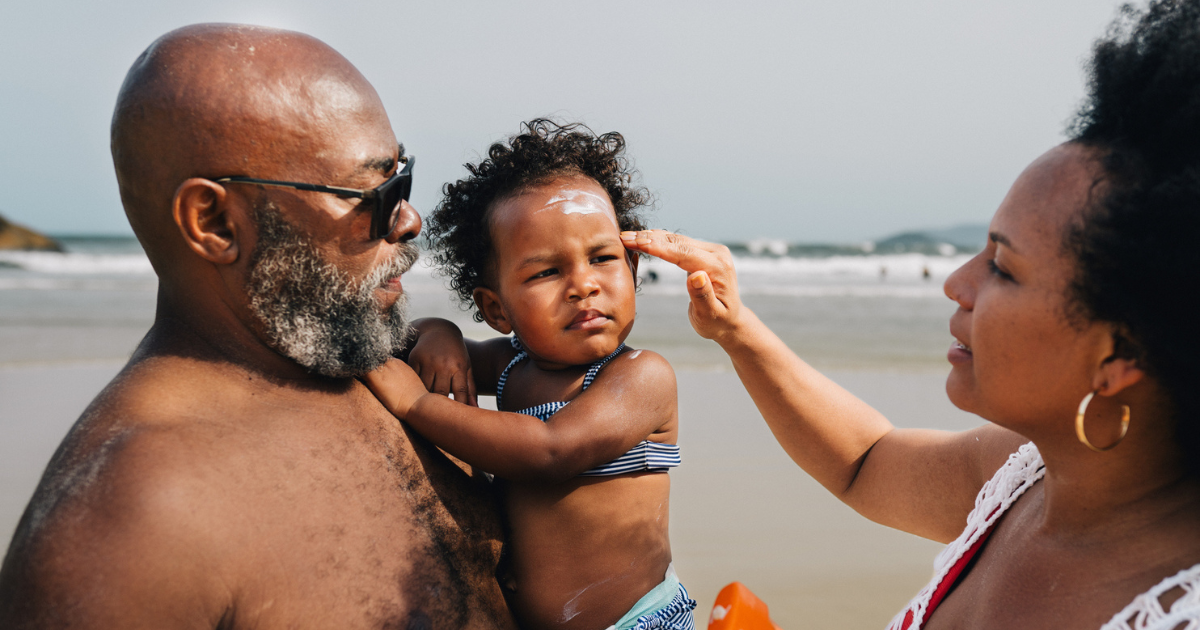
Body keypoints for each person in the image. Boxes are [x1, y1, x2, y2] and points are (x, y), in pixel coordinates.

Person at [622, 0, 1200, 627]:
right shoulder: (1025, 476)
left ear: (1120, 355)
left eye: (1002, 267)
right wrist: (736, 329)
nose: (957, 282)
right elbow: (865, 461)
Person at [0, 25, 515, 629]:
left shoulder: (376, 361)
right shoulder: (132, 522)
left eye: (404, 175)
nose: (408, 218)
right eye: (375, 192)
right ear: (215, 222)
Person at [362, 120, 695, 630]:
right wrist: (441, 334)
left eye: (603, 258)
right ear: (496, 309)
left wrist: (417, 406)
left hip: (636, 623)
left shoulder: (639, 377)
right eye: (546, 272)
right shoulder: (514, 362)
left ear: (631, 268)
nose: (583, 285)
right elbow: (418, 342)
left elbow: (549, 450)